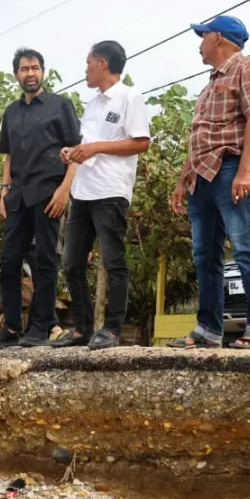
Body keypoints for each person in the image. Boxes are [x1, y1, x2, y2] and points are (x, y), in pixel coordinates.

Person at [168, 16, 250, 349]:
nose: (199, 42)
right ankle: (209, 329)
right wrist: (183, 180)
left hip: (231, 169)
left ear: (218, 38)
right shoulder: (210, 84)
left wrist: (244, 171)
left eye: (203, 36)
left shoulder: (247, 68)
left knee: (245, 248)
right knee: (204, 255)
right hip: (202, 177)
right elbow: (200, 136)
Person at [0, 48, 82, 350]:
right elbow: (9, 155)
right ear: (16, 74)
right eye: (24, 69)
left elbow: (77, 150)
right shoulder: (11, 112)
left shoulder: (60, 105)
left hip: (49, 192)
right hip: (18, 195)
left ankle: (42, 324)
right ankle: (12, 327)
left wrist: (65, 190)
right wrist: (3, 188)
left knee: (45, 260)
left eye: (35, 68)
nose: (30, 73)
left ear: (43, 71)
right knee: (9, 261)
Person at [53, 41, 150, 350]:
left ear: (104, 63)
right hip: (83, 191)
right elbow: (87, 142)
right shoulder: (92, 103)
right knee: (71, 263)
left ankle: (111, 328)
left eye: (88, 62)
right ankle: (81, 328)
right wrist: (74, 151)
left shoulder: (130, 97)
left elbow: (140, 142)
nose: (85, 69)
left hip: (111, 190)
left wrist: (95, 148)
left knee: (113, 261)